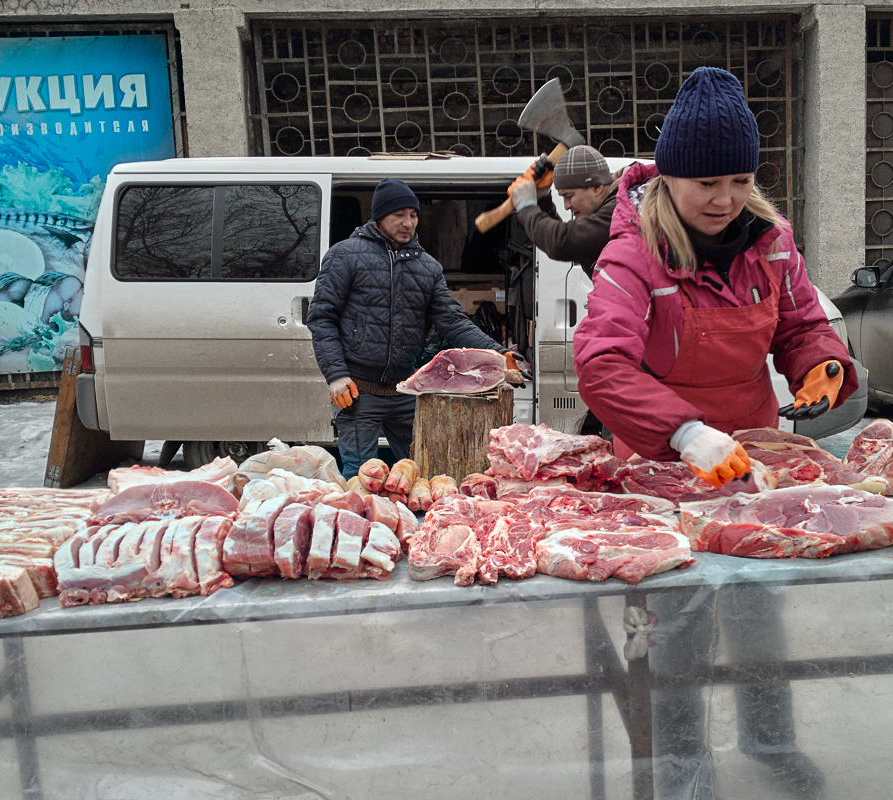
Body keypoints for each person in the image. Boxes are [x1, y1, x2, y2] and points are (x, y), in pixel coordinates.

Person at [573, 66, 859, 798]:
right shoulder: (631, 252)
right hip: (664, 471)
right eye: (706, 182)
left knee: (761, 626)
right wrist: (684, 434)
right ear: (669, 178)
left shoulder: (773, 242)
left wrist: (822, 364)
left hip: (755, 470)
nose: (725, 198)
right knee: (676, 642)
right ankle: (682, 774)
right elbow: (601, 366)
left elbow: (799, 323)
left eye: (738, 178)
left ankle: (770, 745)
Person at [308, 178, 527, 478]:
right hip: (359, 392)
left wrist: (498, 354)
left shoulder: (428, 267)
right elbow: (321, 318)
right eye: (399, 215)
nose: (407, 223)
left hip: (405, 391)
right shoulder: (344, 255)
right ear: (379, 216)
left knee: (423, 474)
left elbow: (453, 320)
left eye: (413, 215)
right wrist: (336, 375)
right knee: (361, 478)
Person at [508, 145, 622, 278]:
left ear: (597, 188)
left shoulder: (619, 210)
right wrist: (542, 199)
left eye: (569, 196)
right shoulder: (613, 206)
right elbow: (576, 244)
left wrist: (525, 207)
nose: (566, 206)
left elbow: (563, 243)